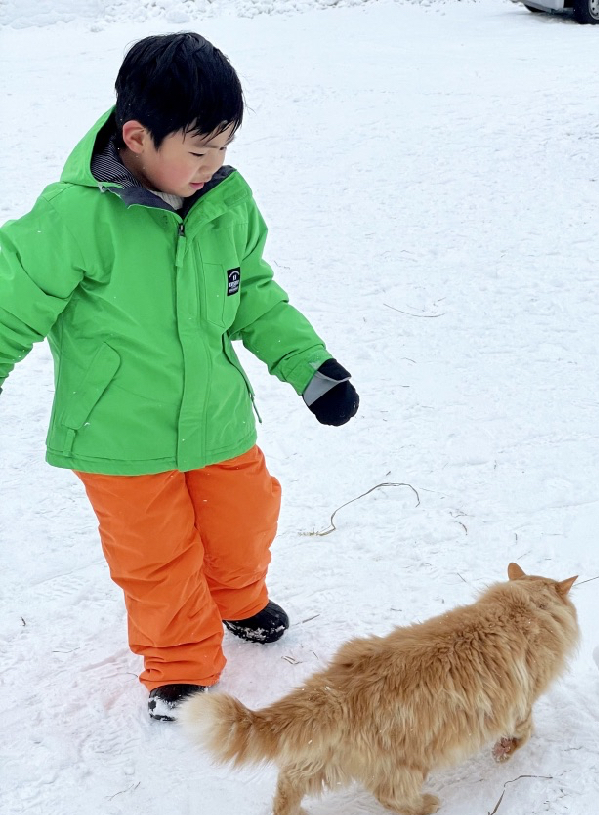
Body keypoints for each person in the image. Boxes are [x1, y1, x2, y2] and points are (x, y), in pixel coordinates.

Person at [0, 32, 359, 721]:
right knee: (157, 561)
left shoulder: (226, 201)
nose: (214, 165)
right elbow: (10, 303)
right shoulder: (75, 215)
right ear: (136, 136)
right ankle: (182, 666)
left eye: (225, 147)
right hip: (120, 435)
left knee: (245, 521)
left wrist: (310, 368)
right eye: (199, 152)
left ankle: (239, 598)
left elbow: (251, 290)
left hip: (216, 418)